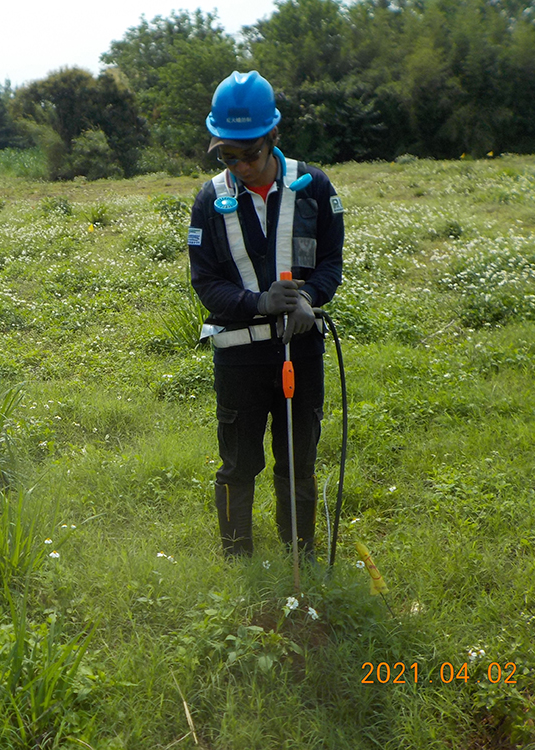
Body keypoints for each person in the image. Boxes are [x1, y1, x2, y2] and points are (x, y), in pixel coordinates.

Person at [186, 70, 344, 558]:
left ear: (273, 137)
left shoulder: (313, 187)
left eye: (249, 153)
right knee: (238, 462)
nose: (240, 166)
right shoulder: (211, 200)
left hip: (302, 350)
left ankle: (299, 552)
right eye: (226, 154)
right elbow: (205, 281)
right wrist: (257, 304)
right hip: (239, 359)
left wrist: (308, 299)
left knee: (297, 459)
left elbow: (331, 263)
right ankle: (237, 559)